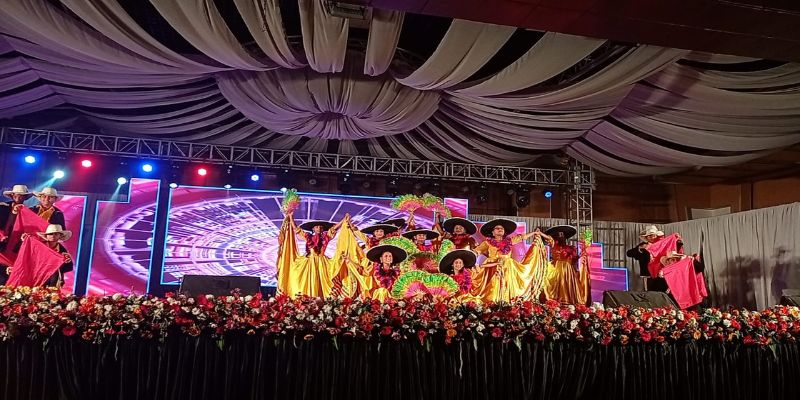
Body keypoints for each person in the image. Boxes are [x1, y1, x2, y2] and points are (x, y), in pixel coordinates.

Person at [471, 218, 547, 303]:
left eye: (502, 228)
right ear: (492, 232)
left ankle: (506, 304)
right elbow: (477, 251)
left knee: (507, 285)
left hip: (508, 267)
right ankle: (493, 304)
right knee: (493, 287)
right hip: (492, 267)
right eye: (497, 228)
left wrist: (534, 233)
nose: (500, 229)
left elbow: (522, 237)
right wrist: (471, 257)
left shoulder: (509, 241)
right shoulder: (487, 243)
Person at [275, 213, 348, 298]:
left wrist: (344, 220)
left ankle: (323, 299)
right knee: (306, 278)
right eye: (317, 227)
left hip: (322, 262)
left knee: (325, 280)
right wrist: (291, 217)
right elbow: (296, 229)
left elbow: (334, 228)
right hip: (310, 262)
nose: (319, 228)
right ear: (313, 229)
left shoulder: (325, 237)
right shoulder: (307, 236)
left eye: (320, 227)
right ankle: (308, 299)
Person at [542, 225, 591, 305]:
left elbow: (574, 260)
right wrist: (539, 233)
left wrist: (582, 252)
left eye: (563, 235)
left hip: (569, 270)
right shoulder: (555, 245)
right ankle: (557, 303)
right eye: (559, 235)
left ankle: (569, 303)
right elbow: (548, 238)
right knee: (558, 285)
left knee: (569, 286)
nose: (561, 237)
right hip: (558, 268)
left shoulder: (571, 248)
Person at [626, 225, 683, 292]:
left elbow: (672, 248)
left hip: (662, 273)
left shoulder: (662, 244)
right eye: (649, 236)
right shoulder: (643, 246)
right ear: (646, 237)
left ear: (656, 235)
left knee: (663, 291)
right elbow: (629, 253)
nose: (652, 237)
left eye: (653, 235)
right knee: (650, 292)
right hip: (648, 274)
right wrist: (640, 248)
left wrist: (678, 242)